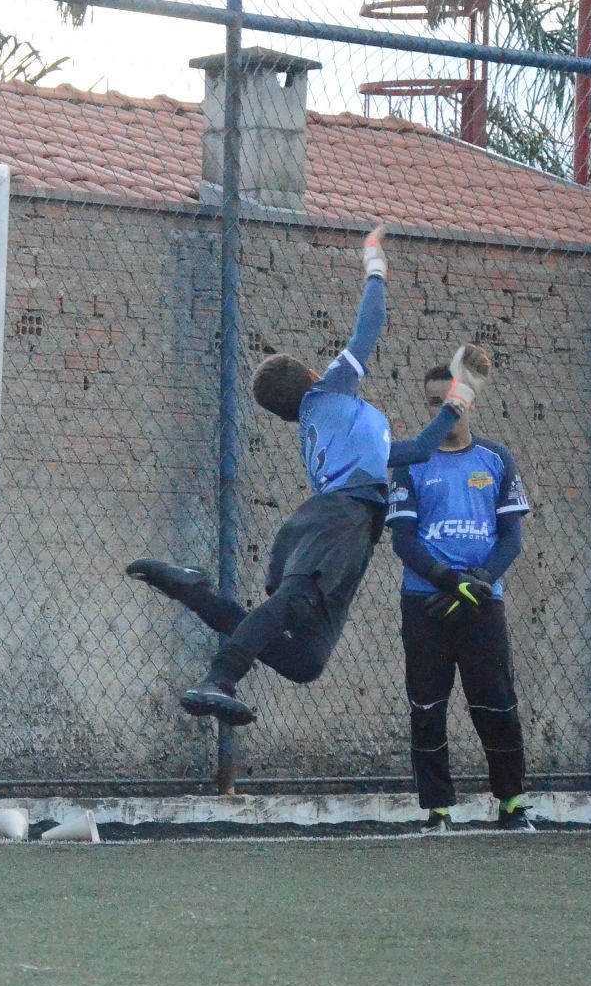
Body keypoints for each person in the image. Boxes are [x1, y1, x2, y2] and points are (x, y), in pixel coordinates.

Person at [127, 226, 475, 726]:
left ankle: (193, 592)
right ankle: (220, 677)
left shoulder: (340, 431)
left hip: (347, 524)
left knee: (307, 662)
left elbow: (418, 450)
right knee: (290, 604)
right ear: (315, 378)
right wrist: (375, 263)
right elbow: (370, 324)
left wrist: (458, 399)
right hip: (340, 519)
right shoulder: (328, 396)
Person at [385, 349, 533, 831]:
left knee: (496, 703)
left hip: (482, 601)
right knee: (427, 706)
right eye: (431, 403)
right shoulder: (410, 462)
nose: (441, 411)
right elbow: (404, 541)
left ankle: (511, 805)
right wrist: (450, 581)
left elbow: (511, 537)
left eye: (447, 400)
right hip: (425, 602)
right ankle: (438, 811)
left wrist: (481, 581)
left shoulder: (497, 459)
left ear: (467, 400)